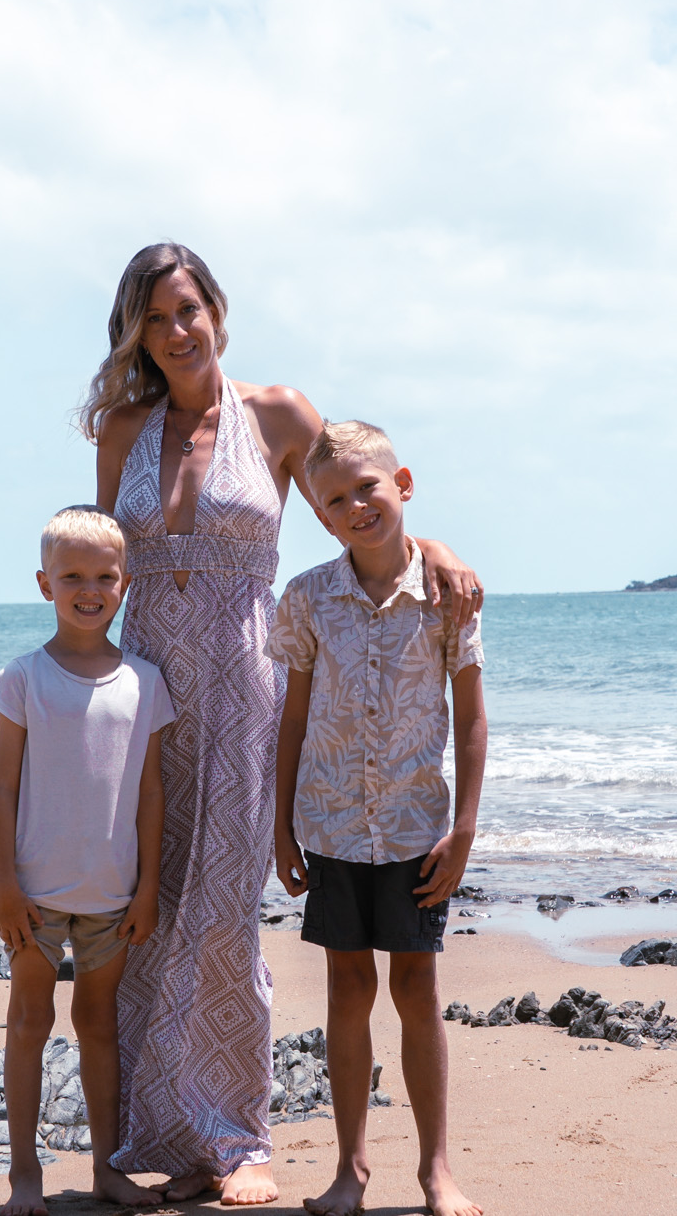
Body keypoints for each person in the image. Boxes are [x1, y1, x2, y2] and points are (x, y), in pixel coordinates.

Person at [83, 243, 483, 1205]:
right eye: (154, 318)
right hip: (147, 689)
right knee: (149, 911)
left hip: (244, 686)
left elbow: (357, 500)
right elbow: (102, 564)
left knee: (224, 912)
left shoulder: (278, 414)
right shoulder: (123, 428)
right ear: (136, 333)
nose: (175, 331)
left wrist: (432, 544)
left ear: (217, 310)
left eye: (187, 309)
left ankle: (239, 1139)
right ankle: (172, 1137)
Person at [271, 420, 488, 1216]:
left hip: (414, 828)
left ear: (403, 484)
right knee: (347, 988)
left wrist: (464, 827)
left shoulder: (447, 595)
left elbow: (470, 717)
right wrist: (279, 824)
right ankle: (350, 1168)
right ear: (320, 516)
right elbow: (292, 717)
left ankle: (436, 1169)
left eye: (367, 487)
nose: (355, 506)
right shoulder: (307, 598)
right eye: (335, 499)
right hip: (330, 823)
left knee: (417, 989)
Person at [0, 505, 172, 1216]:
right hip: (34, 894)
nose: (89, 590)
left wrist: (148, 886)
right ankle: (23, 1173)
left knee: (99, 1026)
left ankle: (106, 1169)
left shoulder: (144, 681)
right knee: (29, 1022)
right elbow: (2, 786)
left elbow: (150, 791)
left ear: (126, 583)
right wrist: (5, 884)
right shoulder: (23, 677)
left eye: (104, 577)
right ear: (45, 584)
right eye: (72, 577)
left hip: (113, 893)